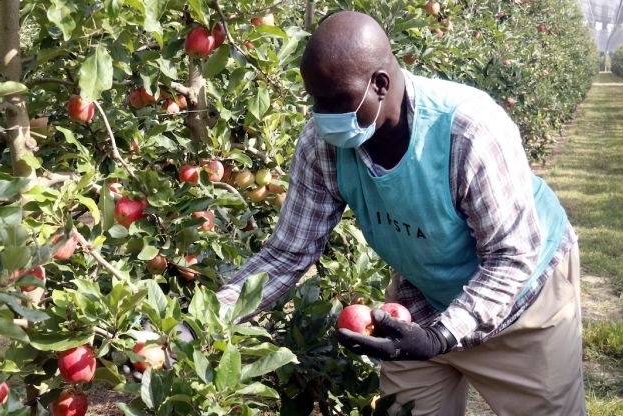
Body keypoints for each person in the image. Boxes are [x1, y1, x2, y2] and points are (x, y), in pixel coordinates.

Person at [215, 11, 585, 416]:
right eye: (315, 100)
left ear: (380, 83)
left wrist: (443, 336)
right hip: (421, 300)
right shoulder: (323, 145)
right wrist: (205, 321)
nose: (323, 115)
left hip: (523, 299)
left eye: (336, 100)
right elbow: (288, 253)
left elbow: (511, 256)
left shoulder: (469, 131)